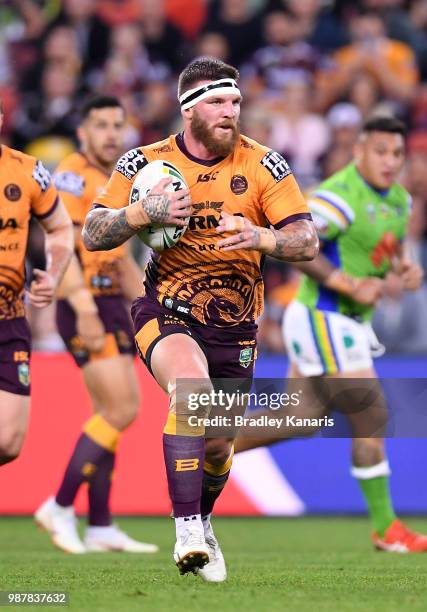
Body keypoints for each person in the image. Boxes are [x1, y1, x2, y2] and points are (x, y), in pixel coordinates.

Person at [81, 57, 318, 580]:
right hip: (166, 310)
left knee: (217, 446)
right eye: (217, 102)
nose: (230, 112)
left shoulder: (264, 165)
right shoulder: (143, 164)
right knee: (191, 391)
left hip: (236, 328)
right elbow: (93, 231)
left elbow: (307, 239)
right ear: (189, 109)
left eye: (235, 101)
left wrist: (263, 237)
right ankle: (186, 527)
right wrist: (142, 214)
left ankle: (204, 519)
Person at [235, 116, 427, 553]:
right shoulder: (339, 197)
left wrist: (404, 268)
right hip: (325, 315)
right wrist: (344, 281)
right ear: (359, 151)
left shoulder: (399, 200)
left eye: (397, 153)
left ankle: (207, 452)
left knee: (299, 420)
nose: (389, 161)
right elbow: (300, 246)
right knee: (372, 415)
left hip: (348, 322)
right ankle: (387, 528)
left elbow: (388, 243)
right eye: (380, 151)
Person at [34, 96, 158, 555]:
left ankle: (101, 524)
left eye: (117, 125)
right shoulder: (70, 172)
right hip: (84, 303)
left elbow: (121, 255)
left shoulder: (118, 180)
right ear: (83, 132)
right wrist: (83, 306)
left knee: (109, 412)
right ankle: (60, 505)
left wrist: (146, 303)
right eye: (101, 125)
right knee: (123, 410)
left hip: (112, 302)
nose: (110, 133)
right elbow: (60, 243)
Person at [0, 100, 73, 464]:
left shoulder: (28, 171)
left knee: (8, 443)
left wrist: (54, 271)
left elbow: (59, 227)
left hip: (10, 318)